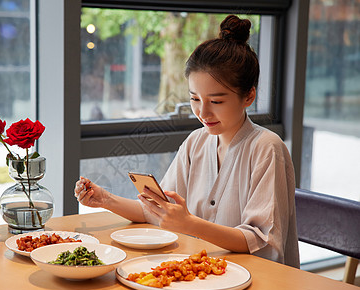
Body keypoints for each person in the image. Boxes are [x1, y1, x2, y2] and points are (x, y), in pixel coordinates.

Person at [74, 15, 300, 268]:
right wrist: (105, 200)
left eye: (216, 101)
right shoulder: (196, 142)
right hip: (203, 274)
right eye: (194, 99)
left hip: (258, 280)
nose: (203, 112)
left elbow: (261, 241)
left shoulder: (266, 147)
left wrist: (189, 224)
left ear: (249, 96)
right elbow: (160, 212)